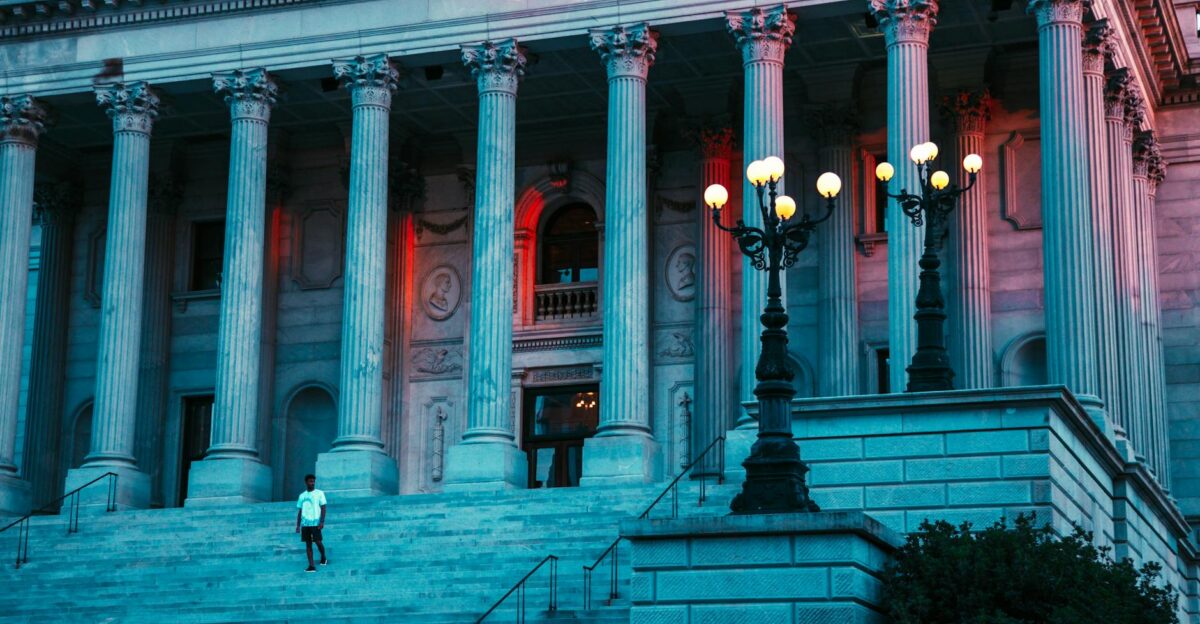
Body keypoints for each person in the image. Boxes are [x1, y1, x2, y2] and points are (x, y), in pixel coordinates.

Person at [295, 474, 327, 572]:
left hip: (316, 523)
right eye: (310, 481)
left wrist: (321, 521)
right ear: (306, 482)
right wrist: (298, 525)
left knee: (318, 542)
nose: (312, 483)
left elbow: (323, 508)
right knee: (308, 544)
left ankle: (323, 556)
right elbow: (300, 511)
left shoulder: (319, 493)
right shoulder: (302, 496)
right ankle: (311, 565)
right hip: (305, 524)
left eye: (313, 481)